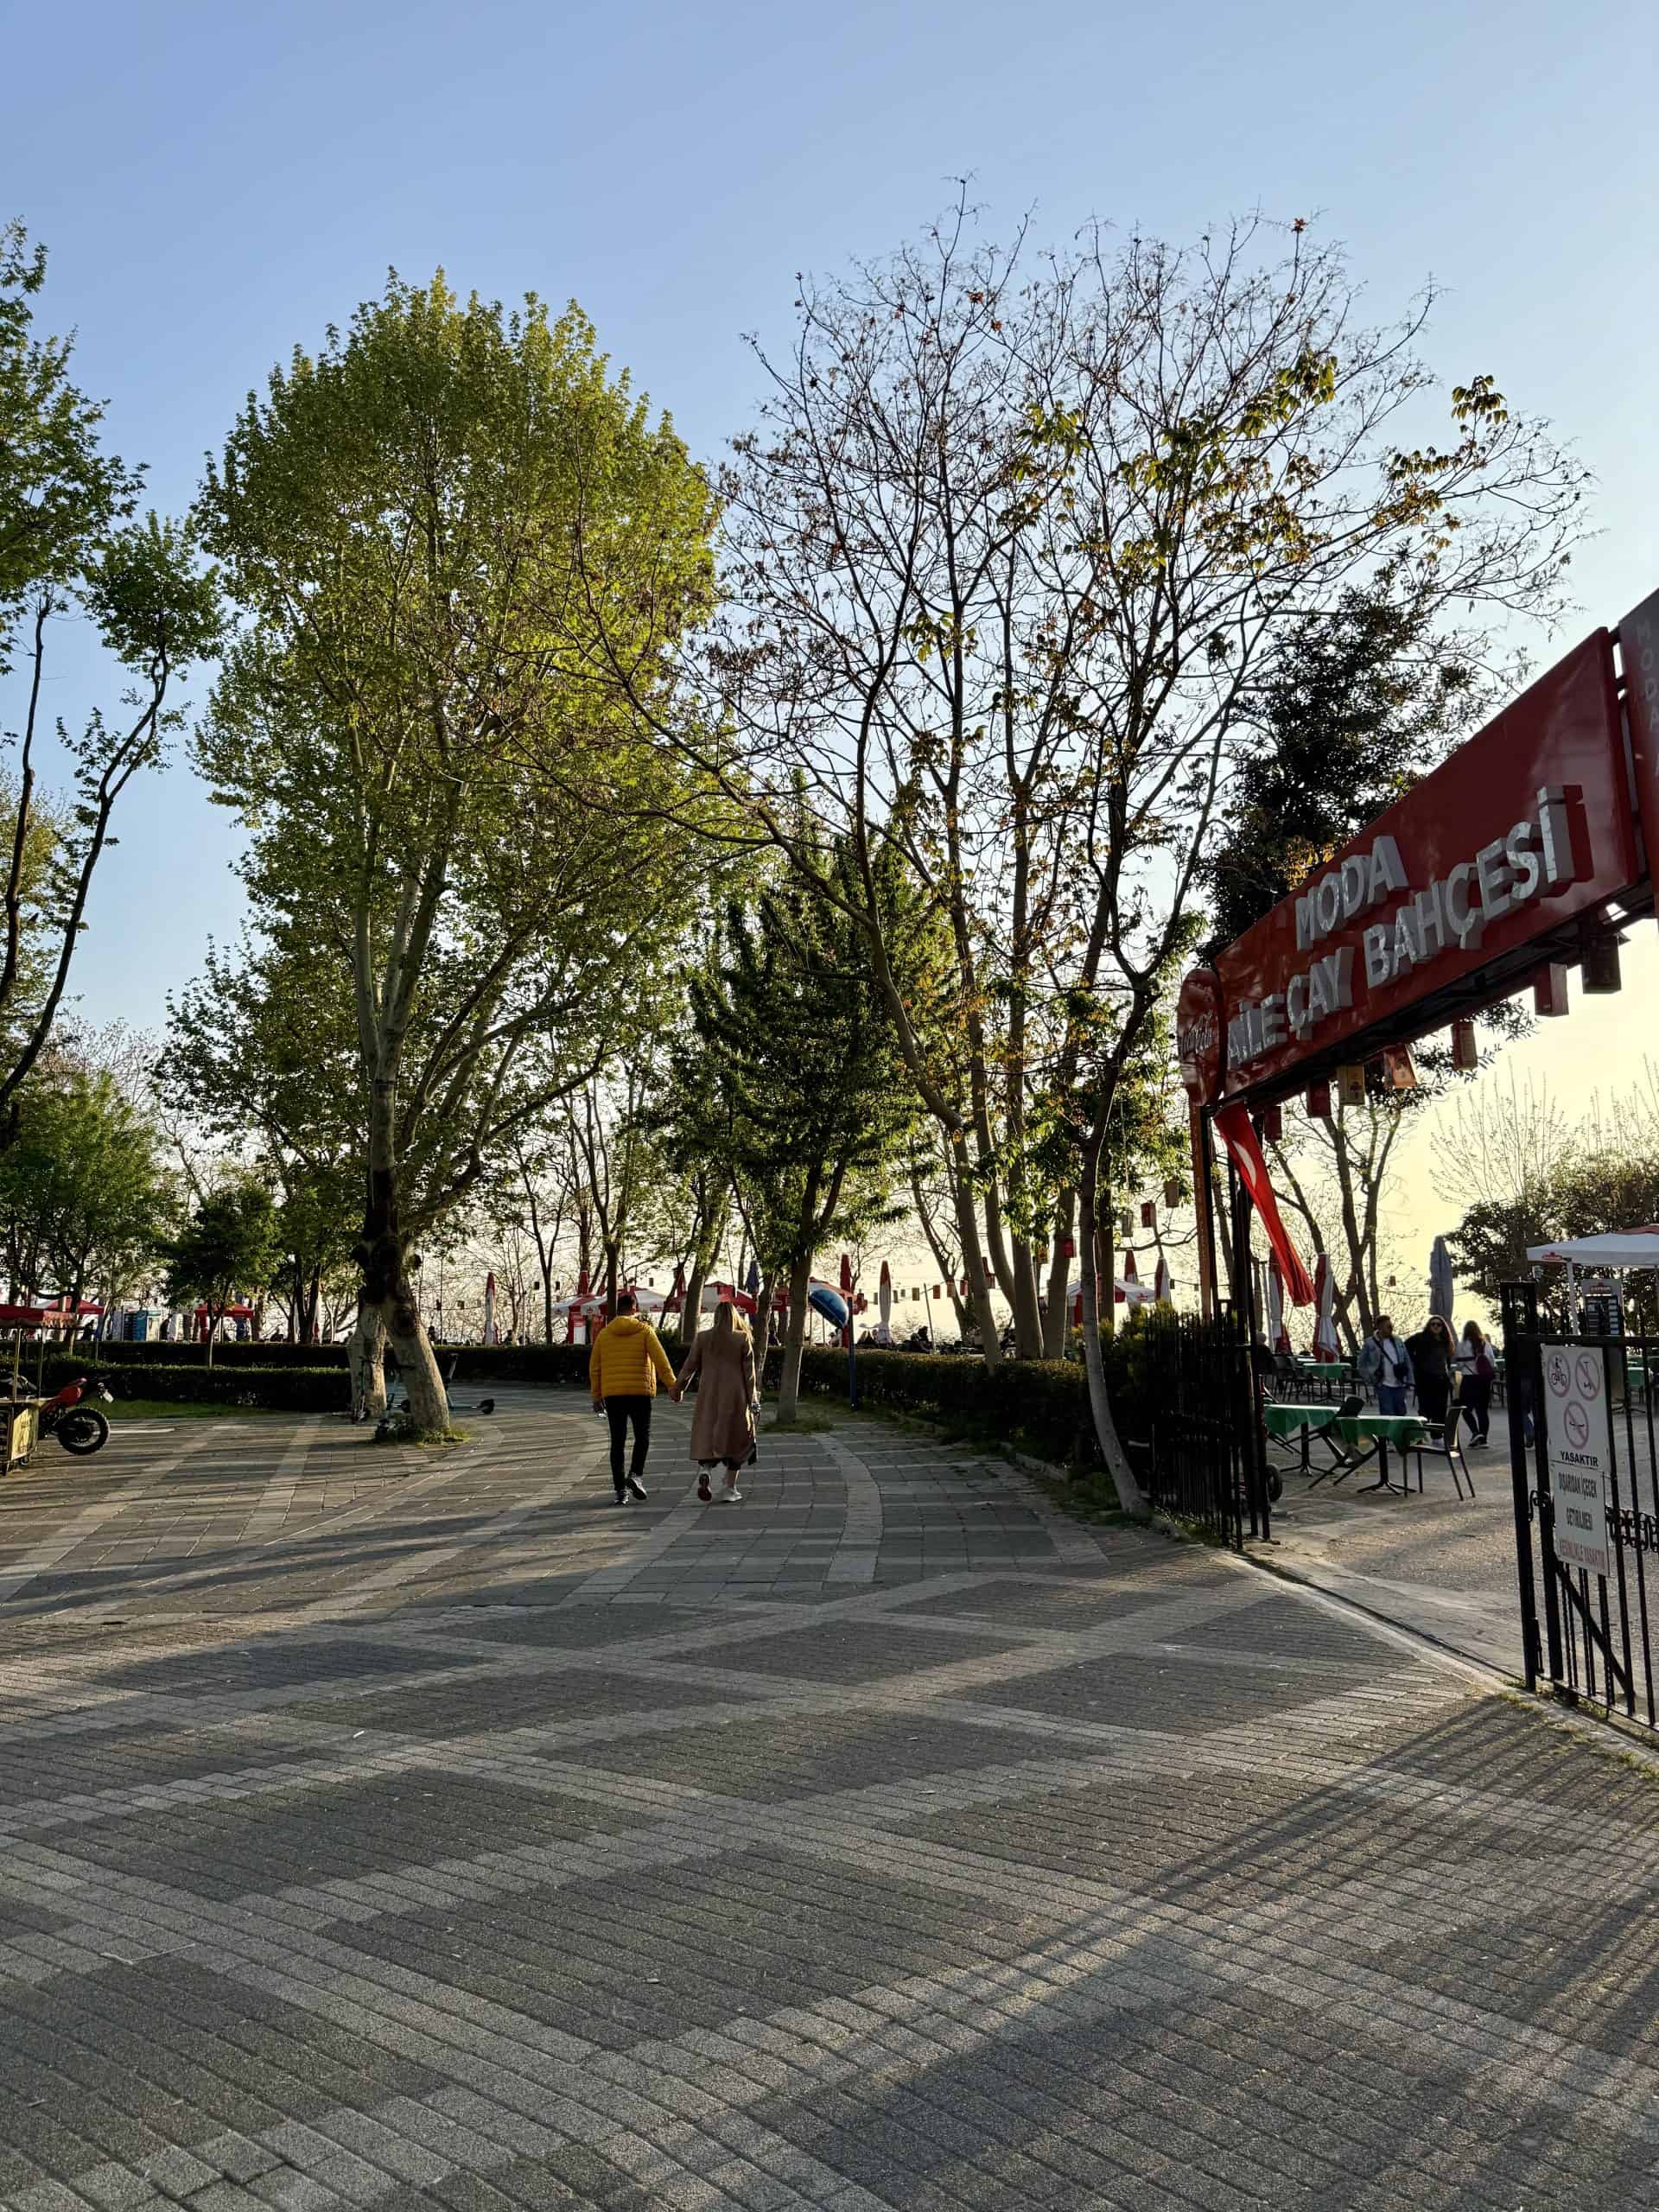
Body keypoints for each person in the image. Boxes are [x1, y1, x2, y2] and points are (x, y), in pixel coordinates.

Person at [589, 1292, 679, 1503]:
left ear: (617, 1310)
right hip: (640, 1393)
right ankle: (635, 1475)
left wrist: (596, 1396)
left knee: (617, 1442)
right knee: (642, 1437)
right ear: (635, 1309)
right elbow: (661, 1360)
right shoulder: (645, 1331)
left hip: (614, 1395)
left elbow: (594, 1368)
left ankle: (620, 1491)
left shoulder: (604, 1335)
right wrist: (673, 1386)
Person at [676, 1300, 759, 1502]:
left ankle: (705, 1470)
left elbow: (690, 1366)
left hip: (709, 1395)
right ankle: (730, 1489)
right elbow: (750, 1375)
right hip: (735, 1397)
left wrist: (678, 1388)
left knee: (709, 1436)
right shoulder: (742, 1338)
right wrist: (753, 1401)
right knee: (738, 1442)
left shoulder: (703, 1338)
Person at [1407, 1313, 1456, 1433]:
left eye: (1438, 1324)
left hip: (1441, 1379)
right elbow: (1406, 1348)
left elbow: (1448, 1359)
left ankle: (1437, 1435)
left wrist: (1449, 1374)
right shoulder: (1420, 1338)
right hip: (1425, 1378)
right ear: (1429, 1326)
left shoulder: (1445, 1341)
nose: (1436, 1326)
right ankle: (1420, 1433)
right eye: (1433, 1324)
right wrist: (1414, 1363)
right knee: (1425, 1408)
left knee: (1440, 1409)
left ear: (1443, 1327)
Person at [1357, 1314, 1414, 1415]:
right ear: (1380, 1327)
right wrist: (1369, 1378)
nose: (1391, 1329)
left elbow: (1407, 1360)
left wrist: (1410, 1380)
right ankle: (1388, 1432)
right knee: (1388, 1413)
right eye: (1388, 1327)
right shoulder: (1370, 1343)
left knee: (1401, 1413)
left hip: (1399, 1383)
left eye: (1391, 1326)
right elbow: (1361, 1363)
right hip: (1383, 1384)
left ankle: (1399, 1431)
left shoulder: (1398, 1341)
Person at [1456, 1318, 1497, 1446]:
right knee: (1482, 1410)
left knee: (1465, 1409)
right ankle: (1483, 1439)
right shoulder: (1486, 1344)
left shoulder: (1461, 1345)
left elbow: (1459, 1365)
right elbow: (1492, 1363)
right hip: (1483, 1380)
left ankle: (1475, 1433)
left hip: (1469, 1379)